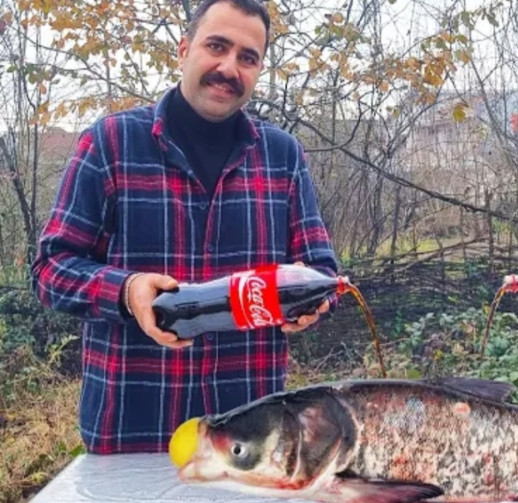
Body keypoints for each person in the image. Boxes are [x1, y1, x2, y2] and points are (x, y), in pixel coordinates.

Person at [31, 0, 338, 454]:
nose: (229, 67)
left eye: (247, 57)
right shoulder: (111, 143)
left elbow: (320, 268)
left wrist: (316, 302)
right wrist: (125, 290)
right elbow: (50, 268)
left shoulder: (283, 156)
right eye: (216, 46)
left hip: (250, 437)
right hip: (133, 430)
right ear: (183, 50)